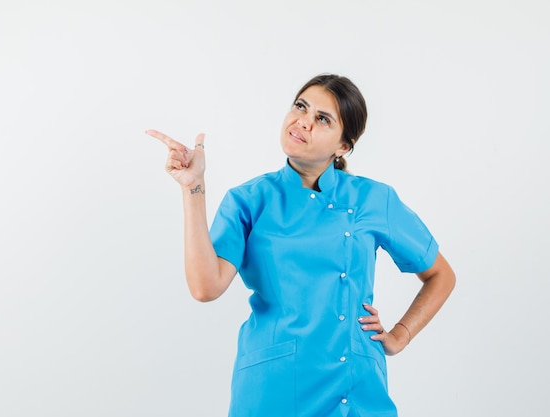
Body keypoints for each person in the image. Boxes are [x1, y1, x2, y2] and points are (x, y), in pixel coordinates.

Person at [146, 73, 455, 417]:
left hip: (355, 389)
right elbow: (205, 287)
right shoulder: (249, 200)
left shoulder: (373, 199)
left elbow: (441, 274)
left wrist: (401, 334)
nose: (302, 122)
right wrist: (193, 188)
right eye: (300, 107)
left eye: (322, 119)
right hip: (273, 388)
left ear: (343, 146)